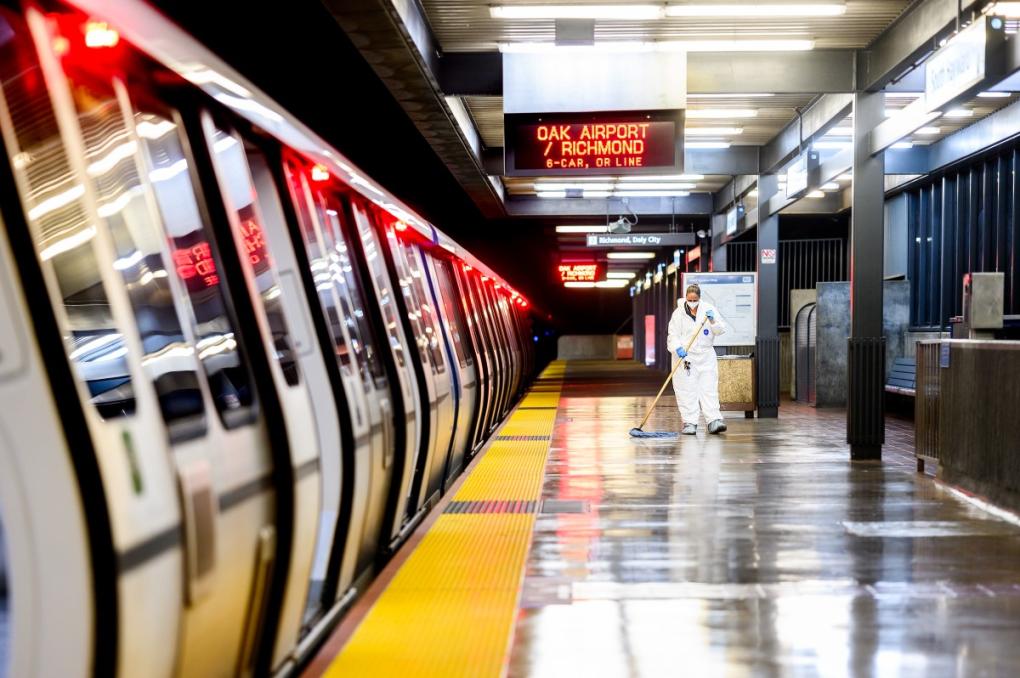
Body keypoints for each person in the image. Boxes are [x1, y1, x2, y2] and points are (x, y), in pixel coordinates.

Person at [666, 283, 728, 435]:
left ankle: (714, 420)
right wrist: (677, 348)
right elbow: (672, 335)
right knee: (686, 389)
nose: (692, 302)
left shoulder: (709, 310)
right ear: (686, 298)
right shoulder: (678, 314)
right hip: (686, 356)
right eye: (690, 299)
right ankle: (690, 422)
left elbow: (720, 330)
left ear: (699, 299)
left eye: (695, 300)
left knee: (709, 388)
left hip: (706, 356)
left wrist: (713, 321)